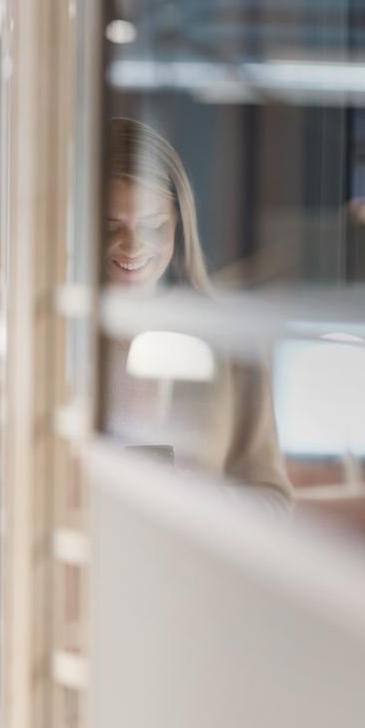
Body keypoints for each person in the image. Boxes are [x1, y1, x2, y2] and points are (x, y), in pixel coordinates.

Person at [102, 116, 292, 513]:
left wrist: (202, 497)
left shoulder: (226, 340)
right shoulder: (53, 333)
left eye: (153, 226)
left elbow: (273, 501)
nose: (132, 247)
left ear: (179, 227)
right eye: (109, 228)